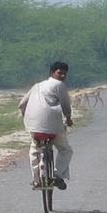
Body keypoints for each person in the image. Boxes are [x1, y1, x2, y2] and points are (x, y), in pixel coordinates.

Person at [18, 62, 74, 190]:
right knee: (65, 150)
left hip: (33, 127)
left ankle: (36, 179)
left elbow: (21, 105)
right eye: (60, 72)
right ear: (52, 73)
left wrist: (26, 117)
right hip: (54, 126)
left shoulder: (36, 86)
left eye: (65, 73)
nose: (63, 75)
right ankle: (57, 175)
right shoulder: (59, 85)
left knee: (34, 150)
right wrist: (69, 119)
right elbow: (66, 105)